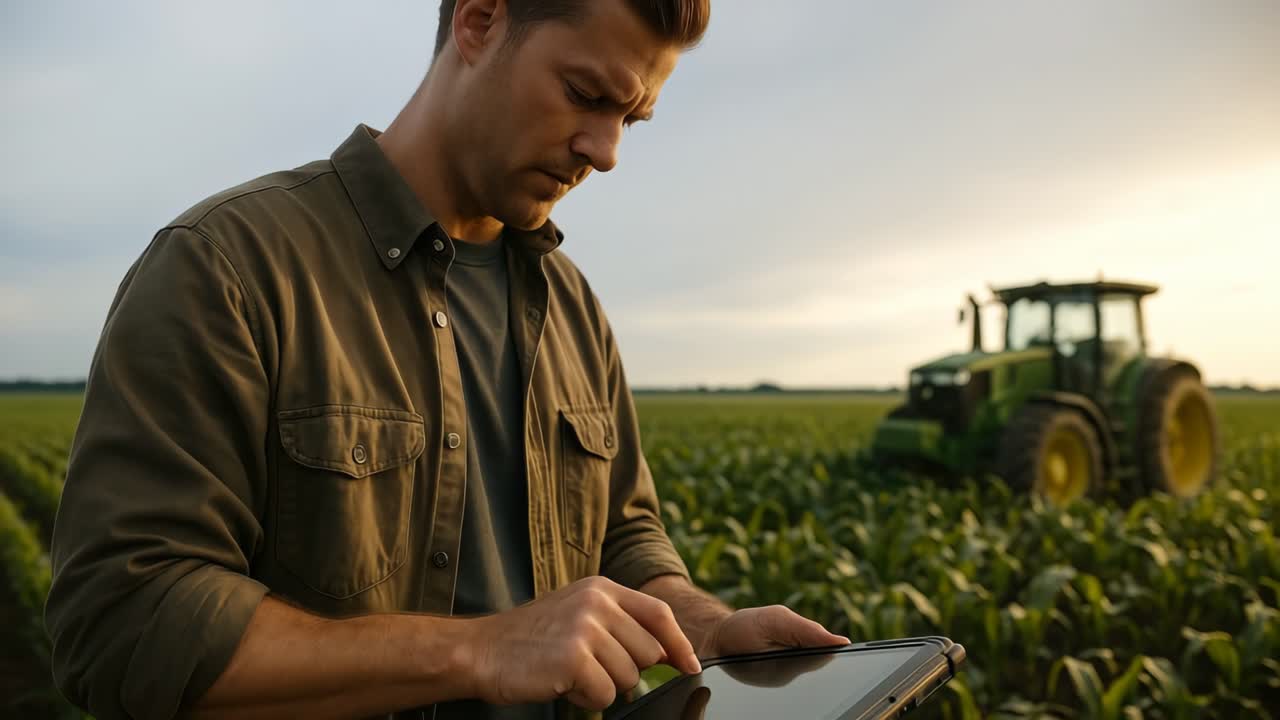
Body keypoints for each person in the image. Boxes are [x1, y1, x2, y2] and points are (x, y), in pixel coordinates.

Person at [44, 2, 850, 719]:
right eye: (585, 95)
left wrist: (703, 626)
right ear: (479, 20)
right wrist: (482, 649)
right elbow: (123, 624)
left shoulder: (571, 306)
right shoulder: (226, 266)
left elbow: (624, 536)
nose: (604, 152)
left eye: (630, 120)